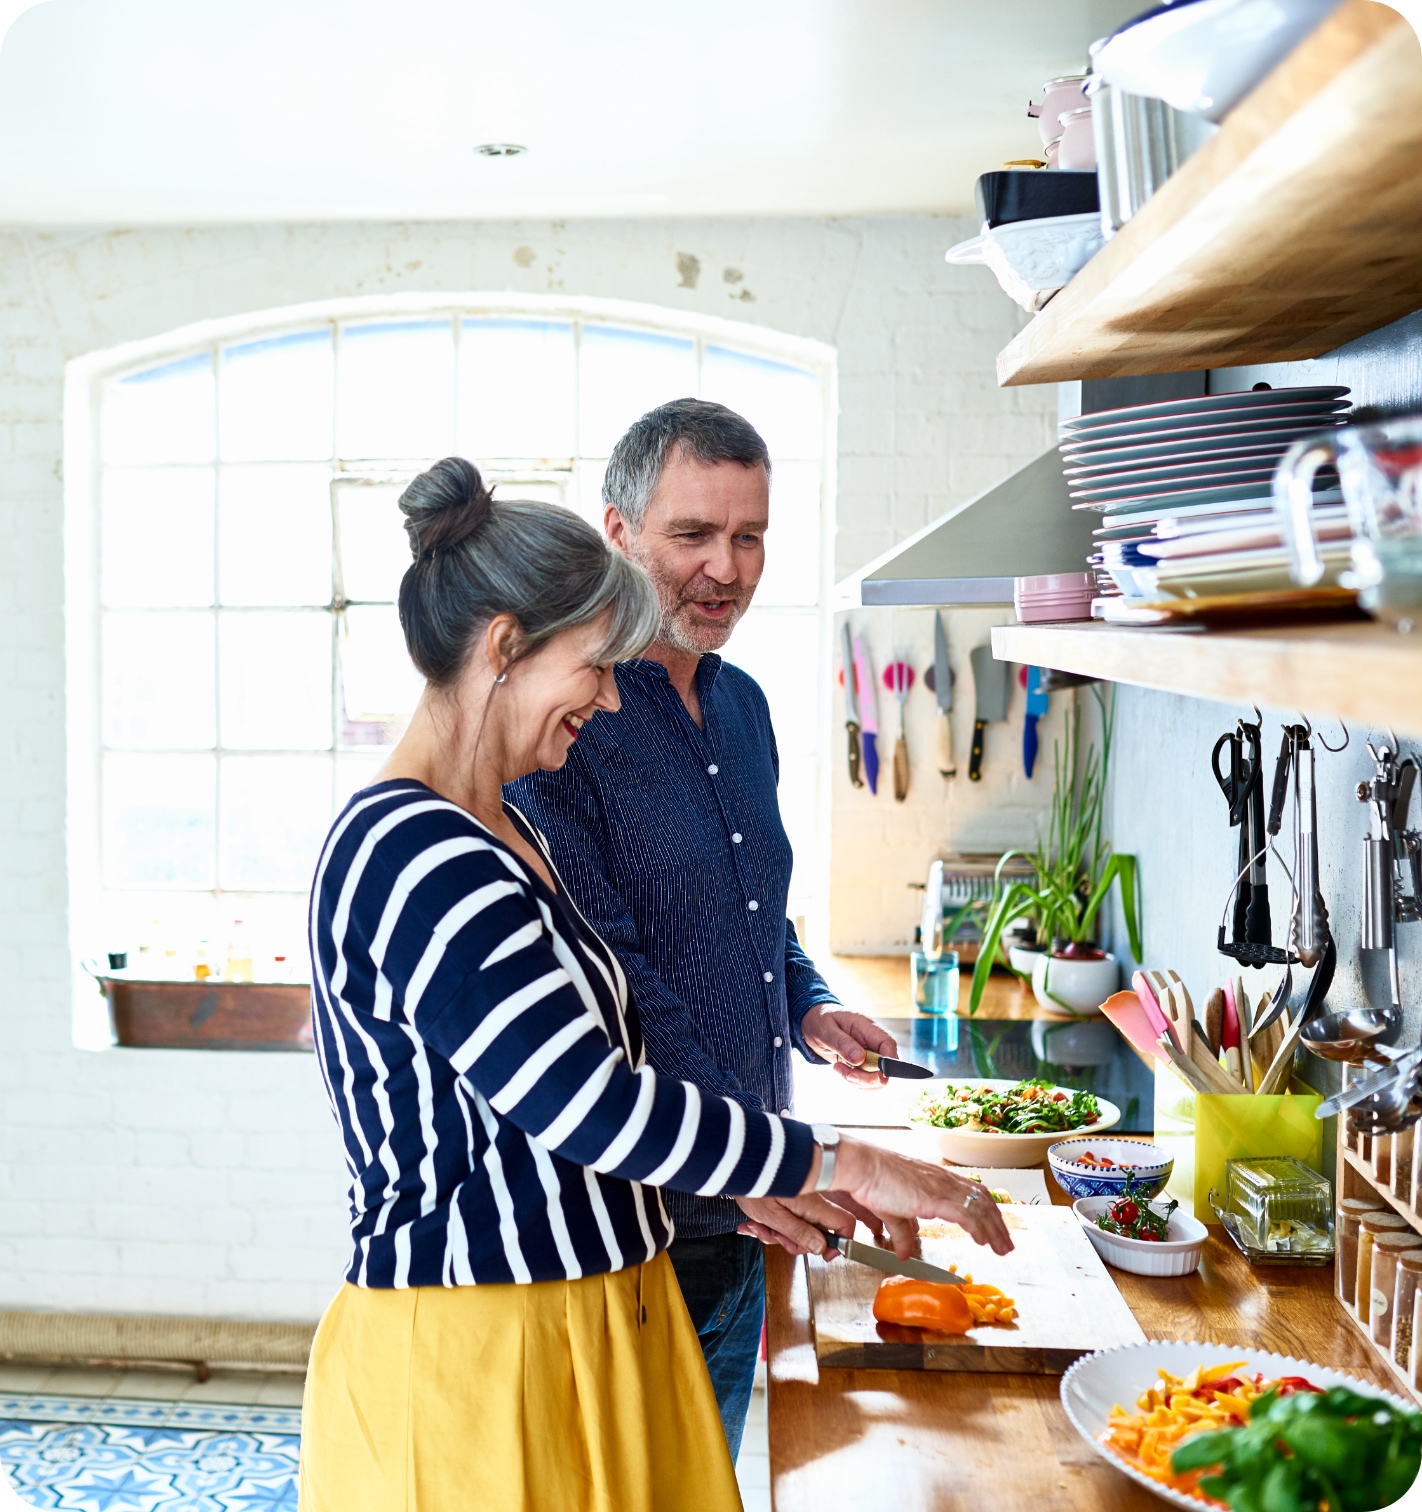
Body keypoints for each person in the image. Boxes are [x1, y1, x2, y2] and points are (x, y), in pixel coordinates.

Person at [299, 458, 1012, 1512]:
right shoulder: (411, 852)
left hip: (584, 1322)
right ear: (504, 647)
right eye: (592, 665)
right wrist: (842, 1156)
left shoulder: (504, 825)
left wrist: (756, 1178)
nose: (606, 692)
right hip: (487, 1351)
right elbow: (587, 1104)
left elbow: (591, 1077)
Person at [505, 399, 898, 1456]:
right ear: (619, 533)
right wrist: (769, 1162)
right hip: (630, 1232)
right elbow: (617, 978)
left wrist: (811, 1002)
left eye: (750, 534)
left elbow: (753, 906)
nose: (726, 567)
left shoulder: (745, 705)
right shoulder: (570, 723)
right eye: (693, 535)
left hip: (744, 1216)